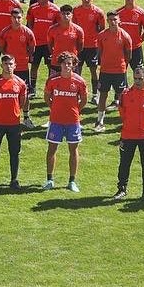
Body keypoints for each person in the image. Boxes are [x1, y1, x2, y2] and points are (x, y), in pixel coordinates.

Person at [43, 52, 89, 192]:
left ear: (74, 65)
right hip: (55, 121)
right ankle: (50, 180)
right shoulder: (52, 80)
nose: (67, 66)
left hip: (73, 122)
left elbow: (84, 100)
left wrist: (75, 110)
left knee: (73, 150)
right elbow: (47, 97)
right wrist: (54, 108)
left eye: (70, 64)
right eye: (64, 63)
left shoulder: (80, 81)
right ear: (60, 64)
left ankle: (72, 181)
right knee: (52, 149)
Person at [116, 65, 144, 201]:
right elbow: (122, 112)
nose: (136, 81)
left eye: (140, 79)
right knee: (124, 164)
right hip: (128, 135)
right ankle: (121, 189)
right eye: (135, 78)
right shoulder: (126, 94)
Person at [0, 54, 28, 190]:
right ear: (1, 65)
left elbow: (22, 102)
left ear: (15, 65)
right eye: (6, 64)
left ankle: (14, 180)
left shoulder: (20, 83)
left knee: (15, 152)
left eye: (11, 64)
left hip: (14, 124)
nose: (8, 67)